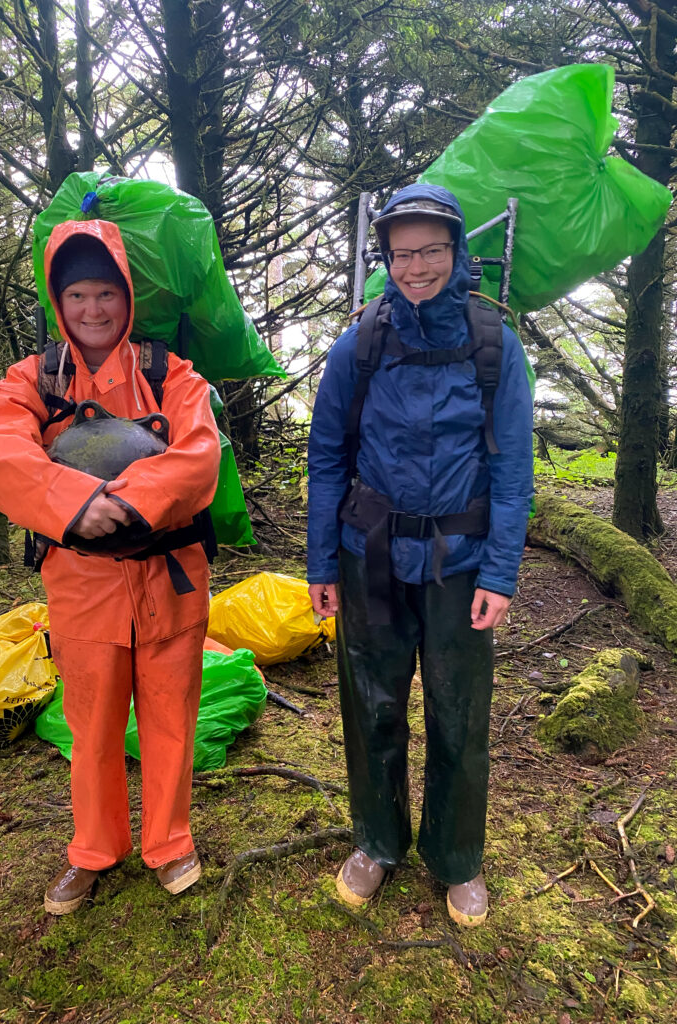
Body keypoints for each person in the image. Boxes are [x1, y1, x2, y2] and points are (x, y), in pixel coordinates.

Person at [0, 220, 221, 914]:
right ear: (59, 300)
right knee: (93, 723)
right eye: (77, 294)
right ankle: (93, 850)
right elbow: (0, 447)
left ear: (126, 297)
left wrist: (133, 503)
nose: (92, 309)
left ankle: (170, 842)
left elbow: (199, 453)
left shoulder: (171, 374)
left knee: (171, 715)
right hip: (82, 586)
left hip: (170, 578)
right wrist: (76, 503)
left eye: (105, 292)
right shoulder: (32, 379)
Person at [307, 183, 533, 926]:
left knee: (459, 714)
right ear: (386, 258)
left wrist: (500, 572)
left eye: (432, 249)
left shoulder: (495, 345)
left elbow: (513, 471)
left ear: (458, 251)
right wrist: (318, 564)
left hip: (462, 563)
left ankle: (457, 858)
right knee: (372, 705)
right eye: (403, 253)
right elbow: (327, 456)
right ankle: (377, 841)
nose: (417, 266)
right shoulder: (359, 342)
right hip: (366, 555)